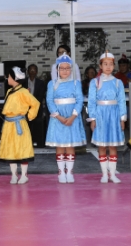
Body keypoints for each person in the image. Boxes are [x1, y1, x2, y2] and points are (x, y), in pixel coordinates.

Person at [45, 53, 85, 184]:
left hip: (72, 116)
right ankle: (61, 172)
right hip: (58, 118)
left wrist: (73, 115)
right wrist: (59, 116)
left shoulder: (76, 83)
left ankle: (70, 171)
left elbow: (79, 100)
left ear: (71, 69)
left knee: (70, 144)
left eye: (67, 68)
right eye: (62, 68)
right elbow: (49, 100)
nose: (65, 71)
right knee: (60, 145)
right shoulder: (52, 83)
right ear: (57, 69)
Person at [87, 51, 126, 184]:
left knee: (113, 146)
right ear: (100, 65)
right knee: (102, 146)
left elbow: (121, 101)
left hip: (114, 115)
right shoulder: (95, 82)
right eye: (105, 64)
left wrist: (122, 118)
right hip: (100, 115)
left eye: (110, 64)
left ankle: (113, 174)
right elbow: (91, 101)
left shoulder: (118, 82)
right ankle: (104, 174)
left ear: (114, 66)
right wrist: (92, 119)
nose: (108, 67)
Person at [0, 67, 40, 185]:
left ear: (14, 78)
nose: (7, 79)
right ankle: (13, 174)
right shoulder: (9, 91)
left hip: (19, 124)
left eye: (9, 77)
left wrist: (29, 116)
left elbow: (35, 103)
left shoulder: (23, 92)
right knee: (11, 149)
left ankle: (24, 175)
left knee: (22, 149)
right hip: (9, 125)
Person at [20, 64, 47, 147]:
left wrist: (32, 104)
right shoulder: (23, 83)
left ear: (37, 72)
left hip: (36, 108)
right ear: (28, 72)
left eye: (34, 70)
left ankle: (39, 143)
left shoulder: (41, 83)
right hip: (25, 108)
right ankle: (26, 143)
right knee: (25, 127)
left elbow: (40, 96)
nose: (32, 72)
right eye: (30, 70)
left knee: (37, 127)